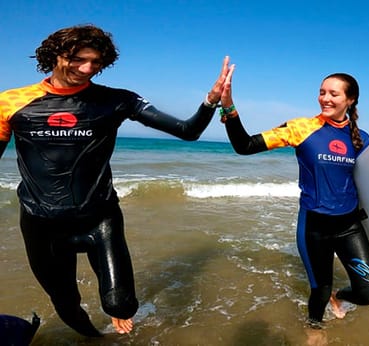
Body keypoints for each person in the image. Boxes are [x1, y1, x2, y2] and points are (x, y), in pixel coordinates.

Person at [0, 24, 233, 337]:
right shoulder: (11, 102)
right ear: (56, 55)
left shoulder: (116, 101)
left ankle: (117, 313)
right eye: (78, 59)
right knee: (66, 302)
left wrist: (210, 101)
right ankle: (94, 339)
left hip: (98, 219)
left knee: (121, 304)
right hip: (41, 223)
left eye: (95, 63)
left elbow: (187, 131)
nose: (86, 69)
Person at [219, 68, 369, 329]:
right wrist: (229, 109)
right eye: (321, 92)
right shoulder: (301, 128)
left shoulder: (363, 140)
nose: (325, 98)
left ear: (350, 100)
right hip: (315, 227)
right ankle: (314, 326)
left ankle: (338, 297)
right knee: (319, 290)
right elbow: (245, 146)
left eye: (333, 94)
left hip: (349, 227)